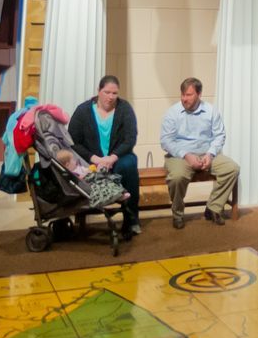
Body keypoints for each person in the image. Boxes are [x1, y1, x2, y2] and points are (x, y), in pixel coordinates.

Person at [158, 77, 240, 230]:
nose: (184, 98)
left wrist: (210, 154)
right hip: (180, 155)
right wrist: (186, 155)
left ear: (199, 94)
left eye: (189, 95)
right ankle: (178, 214)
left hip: (206, 153)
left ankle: (213, 208)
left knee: (232, 168)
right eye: (182, 95)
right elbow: (166, 141)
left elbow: (219, 135)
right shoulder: (172, 113)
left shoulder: (211, 110)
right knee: (177, 177)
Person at [71, 75, 141, 239]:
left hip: (118, 157)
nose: (110, 97)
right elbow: (74, 141)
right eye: (107, 92)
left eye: (114, 93)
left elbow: (130, 138)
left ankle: (131, 218)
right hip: (90, 160)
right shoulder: (83, 111)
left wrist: (112, 157)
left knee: (129, 166)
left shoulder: (125, 109)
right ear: (98, 91)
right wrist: (95, 158)